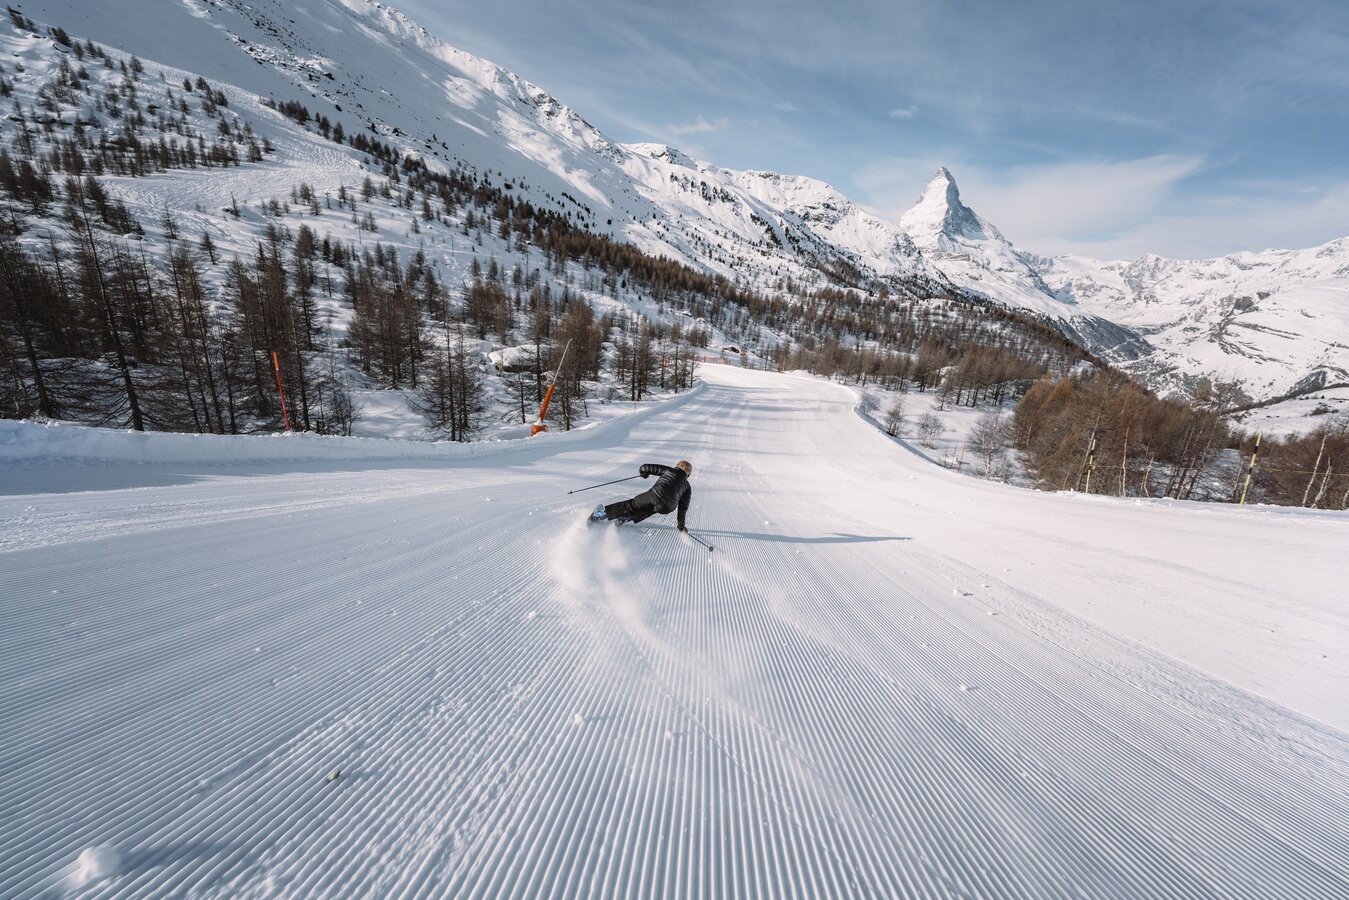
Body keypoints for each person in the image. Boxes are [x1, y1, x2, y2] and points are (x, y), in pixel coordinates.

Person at [591, 460, 693, 530]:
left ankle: (599, 515)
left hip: (655, 495)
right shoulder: (687, 487)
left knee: (631, 505)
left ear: (677, 466)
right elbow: (682, 509)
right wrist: (681, 526)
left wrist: (644, 473)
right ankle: (624, 519)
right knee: (650, 510)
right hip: (666, 507)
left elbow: (646, 467)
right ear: (688, 474)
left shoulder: (670, 470)